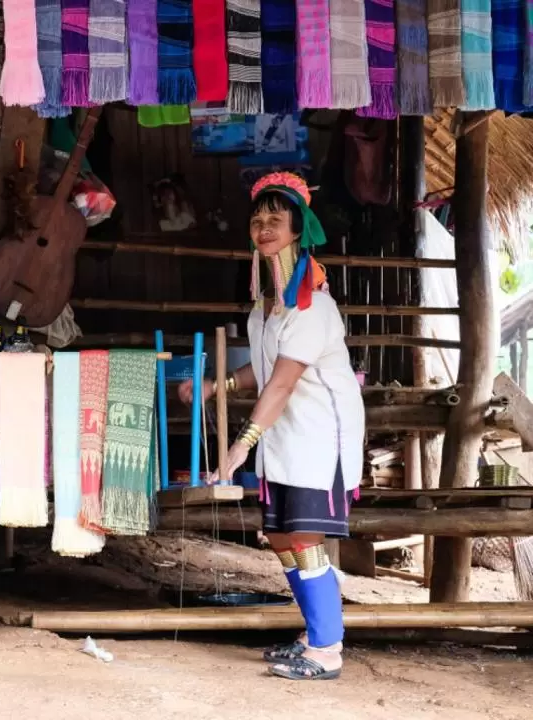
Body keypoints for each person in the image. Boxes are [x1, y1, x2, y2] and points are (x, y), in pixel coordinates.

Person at [178, 172, 365, 681]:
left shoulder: (311, 307)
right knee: (279, 536)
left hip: (319, 436)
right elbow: (262, 370)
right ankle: (314, 634)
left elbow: (281, 385)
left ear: (298, 231)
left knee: (303, 537)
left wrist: (240, 447)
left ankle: (327, 650)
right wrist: (220, 387)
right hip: (283, 432)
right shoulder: (266, 307)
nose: (263, 229)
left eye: (275, 222)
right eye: (257, 220)